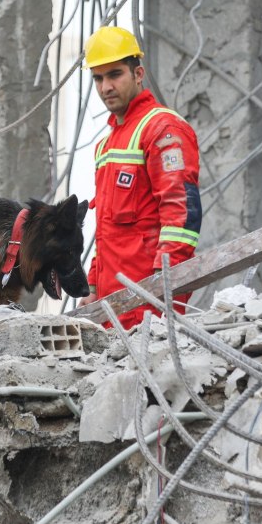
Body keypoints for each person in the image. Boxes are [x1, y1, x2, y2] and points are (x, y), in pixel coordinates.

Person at [77, 26, 201, 328]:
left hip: (149, 304)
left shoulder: (162, 129)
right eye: (98, 77)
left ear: (138, 73)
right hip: (112, 305)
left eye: (114, 74)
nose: (106, 86)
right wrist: (92, 286)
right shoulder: (105, 146)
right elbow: (107, 231)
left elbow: (181, 216)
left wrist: (163, 285)